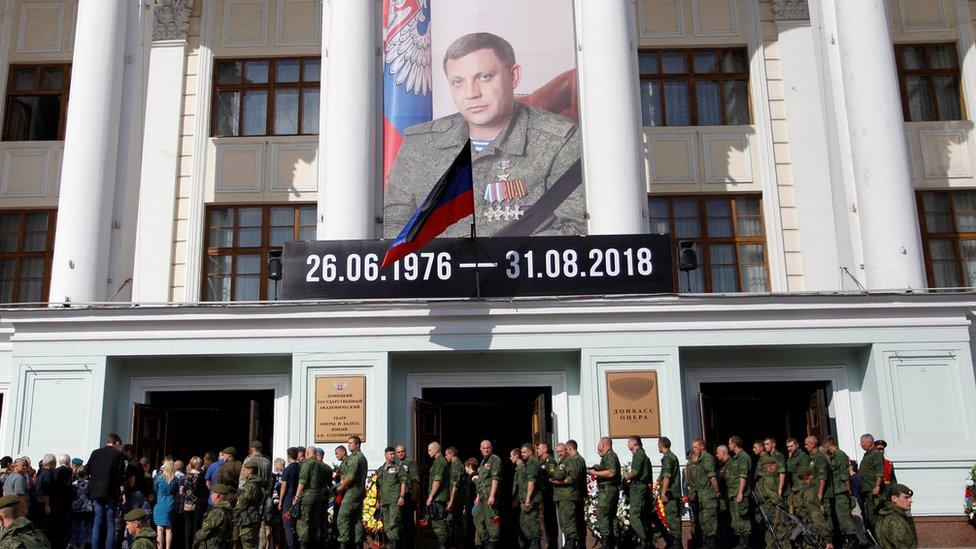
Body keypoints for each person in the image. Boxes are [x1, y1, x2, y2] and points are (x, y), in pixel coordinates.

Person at [384, 32, 585, 239]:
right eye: (458, 82)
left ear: (513, 76)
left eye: (484, 77)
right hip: (437, 269)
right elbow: (392, 230)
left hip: (520, 269)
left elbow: (576, 230)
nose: (471, 93)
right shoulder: (420, 143)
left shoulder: (559, 140)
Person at [85, 433, 125, 549]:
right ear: (116, 443)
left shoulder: (95, 452)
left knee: (97, 521)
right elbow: (120, 475)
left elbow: (87, 469)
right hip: (111, 491)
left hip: (96, 491)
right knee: (111, 521)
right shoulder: (118, 454)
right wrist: (122, 493)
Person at [823, 437, 861, 547]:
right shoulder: (834, 456)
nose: (825, 449)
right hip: (836, 490)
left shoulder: (840, 455)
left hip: (841, 490)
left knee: (844, 515)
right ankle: (848, 538)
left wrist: (848, 490)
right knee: (840, 516)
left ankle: (853, 539)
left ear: (828, 445)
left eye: (826, 447)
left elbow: (844, 475)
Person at [685, 437, 720, 548]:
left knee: (710, 520)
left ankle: (711, 543)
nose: (693, 449)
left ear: (702, 447)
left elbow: (712, 476)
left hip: (708, 495)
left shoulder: (707, 458)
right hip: (698, 496)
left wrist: (717, 491)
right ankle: (705, 542)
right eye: (693, 447)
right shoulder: (694, 459)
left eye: (696, 447)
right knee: (702, 520)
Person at [787, 467, 834, 549]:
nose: (813, 477)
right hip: (812, 532)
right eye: (811, 475)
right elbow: (816, 516)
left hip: (801, 533)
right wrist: (827, 539)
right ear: (807, 477)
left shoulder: (793, 493)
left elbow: (791, 514)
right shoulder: (809, 492)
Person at [587, 437, 620, 549]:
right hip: (609, 490)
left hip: (608, 490)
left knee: (603, 515)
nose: (598, 445)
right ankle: (614, 542)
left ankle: (607, 543)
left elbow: (611, 472)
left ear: (604, 444)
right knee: (611, 517)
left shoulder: (610, 456)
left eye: (599, 443)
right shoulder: (607, 456)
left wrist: (595, 473)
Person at [336, 436, 368, 549]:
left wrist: (341, 487)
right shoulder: (360, 457)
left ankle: (343, 543)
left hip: (353, 491)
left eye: (351, 443)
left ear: (357, 444)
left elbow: (350, 476)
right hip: (359, 490)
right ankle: (358, 543)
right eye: (348, 443)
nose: (348, 445)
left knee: (342, 517)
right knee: (356, 518)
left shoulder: (356, 457)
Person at [293, 444, 326, 549]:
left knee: (303, 521)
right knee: (314, 521)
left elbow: (302, 481)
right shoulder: (321, 465)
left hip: (307, 496)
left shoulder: (307, 464)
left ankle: (303, 544)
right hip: (318, 496)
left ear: (307, 453)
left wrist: (297, 496)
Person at [549, 443, 581, 549]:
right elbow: (554, 474)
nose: (559, 453)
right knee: (563, 522)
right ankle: (568, 543)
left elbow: (572, 477)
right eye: (557, 452)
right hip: (560, 496)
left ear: (566, 450)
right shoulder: (561, 462)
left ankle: (571, 543)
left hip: (568, 495)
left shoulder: (569, 460)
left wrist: (559, 481)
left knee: (568, 520)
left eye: (561, 451)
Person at [754, 456, 790, 549]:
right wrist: (787, 505)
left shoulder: (760, 480)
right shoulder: (769, 479)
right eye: (775, 466)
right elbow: (774, 498)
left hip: (768, 512)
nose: (776, 468)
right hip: (774, 512)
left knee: (770, 538)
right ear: (770, 467)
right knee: (782, 536)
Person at [375, 446, 407, 549]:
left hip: (394, 500)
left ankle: (395, 546)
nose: (393, 456)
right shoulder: (380, 470)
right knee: (387, 525)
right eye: (391, 454)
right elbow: (378, 486)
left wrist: (401, 496)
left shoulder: (398, 468)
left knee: (394, 523)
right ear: (385, 455)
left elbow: (403, 482)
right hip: (384, 501)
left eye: (394, 454)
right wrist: (378, 501)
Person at [624, 436, 653, 549]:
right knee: (642, 515)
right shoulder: (644, 456)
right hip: (642, 487)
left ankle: (644, 541)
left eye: (629, 442)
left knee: (634, 516)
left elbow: (635, 472)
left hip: (638, 487)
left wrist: (624, 478)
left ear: (635, 443)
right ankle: (645, 540)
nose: (627, 444)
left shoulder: (638, 455)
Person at [474, 440, 502, 548]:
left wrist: (492, 496)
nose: (486, 450)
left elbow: (495, 479)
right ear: (480, 449)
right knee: (480, 520)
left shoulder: (495, 459)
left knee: (491, 523)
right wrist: (477, 496)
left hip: (489, 496)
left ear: (491, 448)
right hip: (481, 497)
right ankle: (485, 543)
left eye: (488, 448)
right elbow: (481, 481)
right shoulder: (483, 462)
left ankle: (491, 544)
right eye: (484, 448)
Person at [726, 436, 752, 549]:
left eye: (729, 444)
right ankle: (740, 541)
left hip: (740, 493)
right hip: (733, 493)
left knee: (742, 517)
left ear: (734, 444)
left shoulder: (743, 457)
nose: (729, 446)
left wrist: (740, 493)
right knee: (736, 519)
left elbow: (743, 476)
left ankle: (745, 542)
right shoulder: (734, 458)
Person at [515, 444, 542, 549]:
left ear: (531, 452)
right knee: (525, 524)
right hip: (526, 500)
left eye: (524, 452)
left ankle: (536, 545)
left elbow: (531, 481)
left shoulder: (533, 463)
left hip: (531, 500)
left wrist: (528, 498)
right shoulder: (527, 464)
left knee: (532, 524)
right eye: (521, 452)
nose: (522, 454)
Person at [657, 436, 682, 548]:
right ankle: (674, 542)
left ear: (660, 445)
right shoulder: (671, 457)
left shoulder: (668, 458)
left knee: (672, 518)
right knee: (672, 517)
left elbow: (667, 476)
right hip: (672, 492)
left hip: (670, 493)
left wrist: (662, 493)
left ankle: (676, 543)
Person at [394, 444, 420, 547]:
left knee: (408, 522)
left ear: (406, 452)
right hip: (399, 496)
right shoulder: (396, 464)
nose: (400, 453)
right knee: (400, 522)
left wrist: (414, 494)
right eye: (398, 452)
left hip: (408, 496)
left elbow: (415, 479)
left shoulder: (410, 462)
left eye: (402, 451)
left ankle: (410, 545)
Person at [858, 434, 885, 533]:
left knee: (876, 515)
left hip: (873, 490)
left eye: (862, 442)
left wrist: (877, 485)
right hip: (866, 490)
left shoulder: (876, 454)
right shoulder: (867, 454)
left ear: (869, 442)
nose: (860, 444)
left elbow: (880, 472)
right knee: (871, 516)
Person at [875, 484, 916, 549]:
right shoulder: (896, 521)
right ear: (894, 498)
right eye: (906, 497)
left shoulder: (885, 515)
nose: (910, 500)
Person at [426, 442, 451, 548]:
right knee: (437, 524)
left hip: (438, 498)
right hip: (437, 498)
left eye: (430, 450)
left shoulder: (440, 462)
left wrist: (431, 497)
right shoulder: (437, 462)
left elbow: (437, 480)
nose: (428, 452)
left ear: (436, 450)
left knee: (439, 525)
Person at [194, 483, 233, 549]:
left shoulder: (217, 512)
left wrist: (195, 540)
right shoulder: (228, 509)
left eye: (212, 494)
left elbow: (205, 531)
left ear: (217, 495)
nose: (211, 496)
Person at [235, 465, 265, 549]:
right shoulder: (258, 484)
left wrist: (234, 515)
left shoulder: (250, 486)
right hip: (254, 517)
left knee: (248, 544)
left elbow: (243, 503)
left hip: (248, 519)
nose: (243, 472)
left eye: (245, 470)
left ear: (250, 471)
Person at [154, 458, 180, 549]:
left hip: (160, 505)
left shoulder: (159, 478)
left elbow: (155, 489)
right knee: (169, 529)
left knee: (159, 529)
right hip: (171, 505)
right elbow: (177, 492)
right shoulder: (176, 480)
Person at [564, 440, 587, 544]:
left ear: (570, 448)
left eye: (565, 449)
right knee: (577, 520)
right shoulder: (574, 459)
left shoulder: (577, 460)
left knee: (578, 520)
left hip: (578, 494)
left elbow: (575, 477)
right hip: (576, 494)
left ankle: (581, 544)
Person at [278, 448, 301, 549]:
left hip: (288, 499)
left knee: (287, 525)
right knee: (296, 524)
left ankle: (291, 546)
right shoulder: (300, 468)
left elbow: (284, 486)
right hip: (298, 498)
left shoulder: (287, 469)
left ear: (288, 457)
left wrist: (280, 501)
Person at [445, 446, 465, 547]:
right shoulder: (453, 465)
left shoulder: (457, 465)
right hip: (455, 500)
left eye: (446, 454)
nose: (445, 456)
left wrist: (451, 501)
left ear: (452, 454)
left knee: (454, 524)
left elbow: (455, 486)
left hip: (457, 500)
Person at [183, 456, 205, 549]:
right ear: (198, 465)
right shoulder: (199, 475)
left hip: (187, 503)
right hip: (196, 503)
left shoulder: (187, 475)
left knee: (188, 526)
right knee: (197, 526)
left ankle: (187, 546)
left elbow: (184, 488)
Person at [69, 467, 94, 549]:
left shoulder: (74, 485)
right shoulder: (90, 484)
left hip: (76, 510)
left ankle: (74, 545)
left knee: (75, 529)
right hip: (88, 510)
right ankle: (84, 546)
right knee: (86, 529)